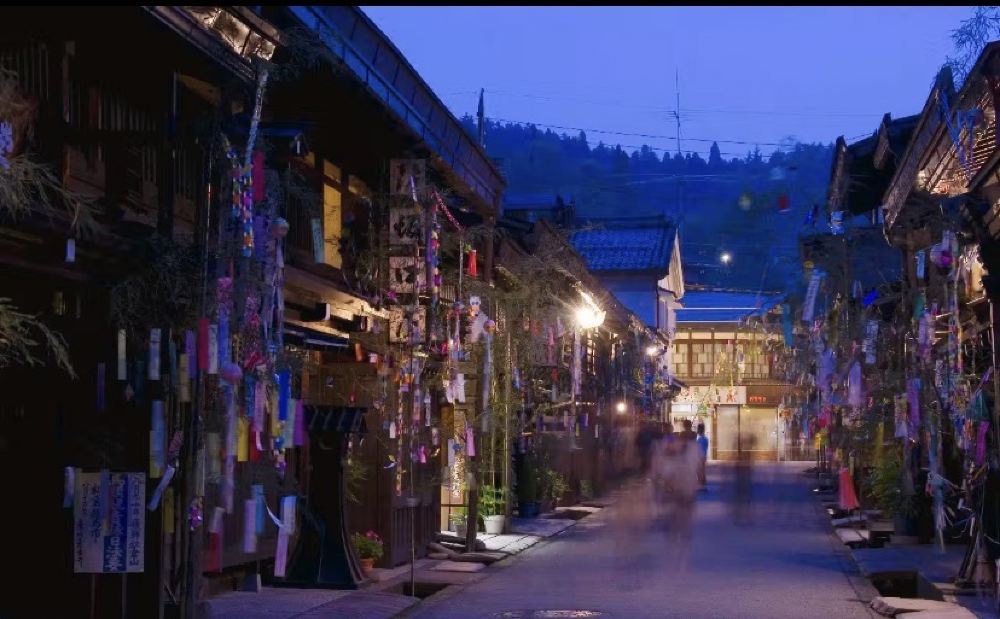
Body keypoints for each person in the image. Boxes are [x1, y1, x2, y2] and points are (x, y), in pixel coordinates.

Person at [696, 423, 709, 489]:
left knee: (699, 469)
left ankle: (701, 481)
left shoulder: (700, 439)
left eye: (698, 429)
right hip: (704, 456)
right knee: (702, 469)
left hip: (700, 456)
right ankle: (703, 480)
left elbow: (698, 449)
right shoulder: (705, 438)